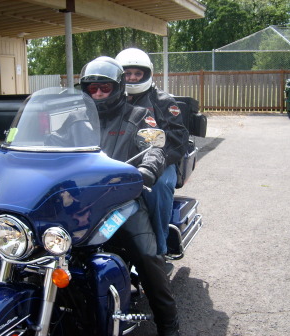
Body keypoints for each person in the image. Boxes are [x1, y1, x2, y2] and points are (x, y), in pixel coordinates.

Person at [80, 56, 180, 336]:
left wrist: (149, 167)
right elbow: (51, 143)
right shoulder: (77, 118)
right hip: (82, 202)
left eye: (104, 88)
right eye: (92, 89)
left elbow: (154, 145)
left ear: (117, 87)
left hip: (122, 204)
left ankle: (168, 323)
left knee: (148, 258)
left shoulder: (137, 115)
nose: (98, 94)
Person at [115, 48, 189, 256]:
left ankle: (159, 249)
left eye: (137, 73)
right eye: (128, 73)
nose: (132, 78)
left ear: (147, 74)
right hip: (121, 159)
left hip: (159, 162)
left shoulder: (163, 101)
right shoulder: (113, 98)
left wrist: (157, 163)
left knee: (159, 188)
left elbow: (177, 138)